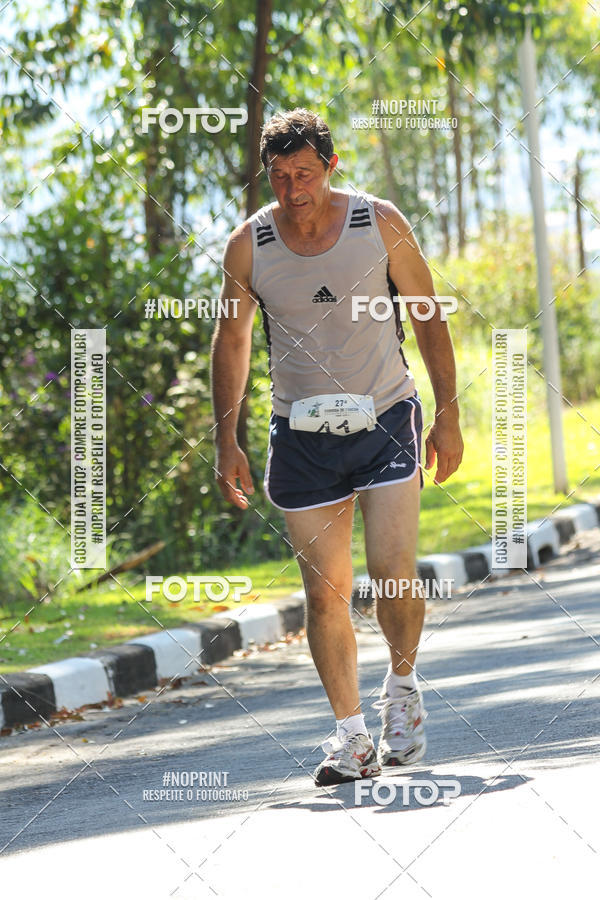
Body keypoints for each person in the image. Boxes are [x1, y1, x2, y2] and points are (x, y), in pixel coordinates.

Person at [211, 108, 463, 786]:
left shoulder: (378, 222)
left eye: (304, 174)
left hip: (386, 415)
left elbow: (428, 313)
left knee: (392, 572)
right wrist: (225, 436)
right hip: (300, 433)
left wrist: (449, 414)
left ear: (330, 166)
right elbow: (232, 341)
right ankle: (352, 739)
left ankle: (403, 688)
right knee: (324, 595)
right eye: (279, 176)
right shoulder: (250, 245)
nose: (292, 190)